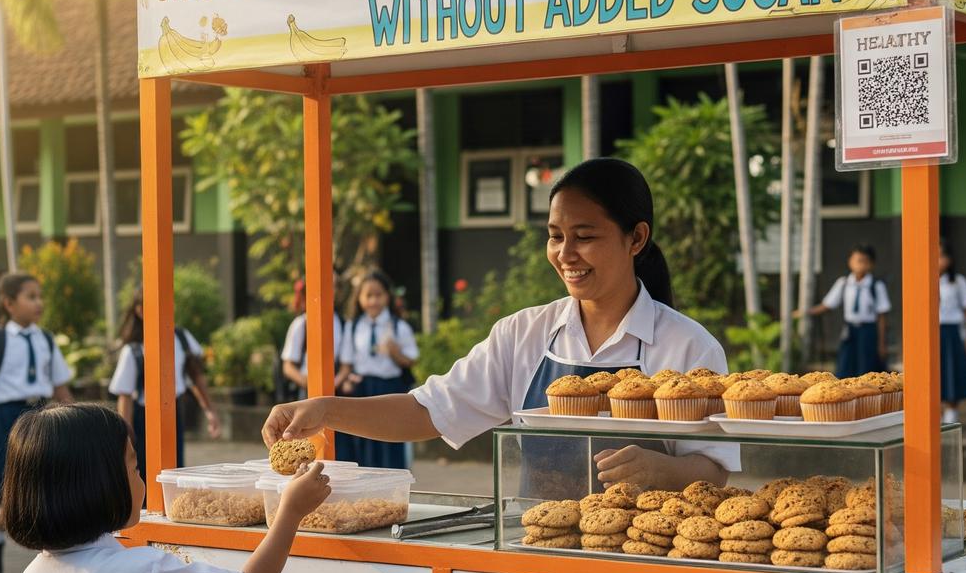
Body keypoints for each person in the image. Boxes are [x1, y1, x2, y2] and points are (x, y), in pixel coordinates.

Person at [261, 158, 737, 495]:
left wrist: (662, 470)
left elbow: (714, 471)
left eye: (585, 237)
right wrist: (325, 409)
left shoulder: (689, 347)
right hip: (533, 554)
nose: (566, 254)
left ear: (636, 238)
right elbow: (428, 411)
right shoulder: (524, 334)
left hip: (641, 564)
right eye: (555, 237)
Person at [0, 403, 331, 573]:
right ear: (100, 487)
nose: (140, 480)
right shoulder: (144, 569)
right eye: (134, 469)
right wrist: (289, 511)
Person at [0, 273, 73, 573]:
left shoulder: (46, 339)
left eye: (39, 296)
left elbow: (60, 387)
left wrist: (79, 418)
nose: (38, 302)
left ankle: (50, 555)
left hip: (40, 414)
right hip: (3, 418)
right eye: (31, 296)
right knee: (13, 493)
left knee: (43, 486)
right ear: (9, 303)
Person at [108, 292, 221, 485]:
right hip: (144, 417)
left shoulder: (181, 338)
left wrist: (210, 411)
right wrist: (125, 434)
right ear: (140, 311)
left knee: (174, 467)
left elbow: (195, 376)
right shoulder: (134, 350)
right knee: (143, 470)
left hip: (174, 411)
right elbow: (125, 397)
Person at [336, 271, 418, 468]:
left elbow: (410, 360)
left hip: (390, 387)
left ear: (387, 297)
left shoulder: (399, 326)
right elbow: (348, 362)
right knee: (365, 440)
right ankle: (368, 490)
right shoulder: (354, 326)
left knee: (391, 438)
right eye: (368, 296)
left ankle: (392, 487)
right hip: (363, 388)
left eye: (378, 295)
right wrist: (343, 382)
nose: (373, 301)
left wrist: (394, 352)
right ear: (360, 299)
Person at [795, 244, 892, 378]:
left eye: (864, 261)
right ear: (850, 262)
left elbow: (882, 315)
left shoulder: (876, 285)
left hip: (869, 331)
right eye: (856, 260)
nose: (859, 265)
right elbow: (827, 304)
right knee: (845, 365)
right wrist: (805, 312)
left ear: (871, 264)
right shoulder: (844, 283)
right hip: (850, 330)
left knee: (867, 368)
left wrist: (882, 343)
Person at [279, 277, 348, 403]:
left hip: (335, 389)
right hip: (306, 389)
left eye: (333, 287)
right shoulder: (301, 324)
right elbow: (288, 366)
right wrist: (306, 382)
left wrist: (334, 384)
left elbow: (346, 365)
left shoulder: (343, 324)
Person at [938, 240, 966, 424]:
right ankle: (934, 411)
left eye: (941, 256)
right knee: (935, 372)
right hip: (932, 333)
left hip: (952, 331)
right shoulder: (924, 279)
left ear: (950, 259)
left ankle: (952, 410)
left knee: (952, 371)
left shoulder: (958, 281)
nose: (938, 260)